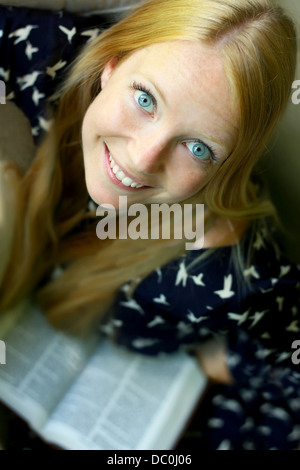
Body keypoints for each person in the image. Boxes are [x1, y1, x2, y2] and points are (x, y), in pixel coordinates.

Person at [0, 0, 299, 450]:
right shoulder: (37, 57)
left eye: (198, 148)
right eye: (145, 99)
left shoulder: (231, 274)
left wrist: (226, 358)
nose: (141, 159)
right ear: (110, 63)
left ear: (226, 167)